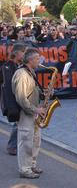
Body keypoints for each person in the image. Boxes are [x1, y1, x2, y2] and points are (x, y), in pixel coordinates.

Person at [12, 48, 46, 178]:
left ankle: (31, 164)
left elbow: (33, 92)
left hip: (33, 112)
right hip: (26, 113)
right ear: (31, 60)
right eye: (37, 58)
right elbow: (21, 98)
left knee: (35, 140)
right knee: (26, 141)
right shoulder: (22, 74)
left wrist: (45, 93)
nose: (39, 61)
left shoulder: (30, 72)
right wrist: (36, 109)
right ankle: (24, 169)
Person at [0, 43, 26, 155]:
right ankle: (12, 146)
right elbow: (8, 86)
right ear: (17, 53)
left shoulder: (17, 66)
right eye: (23, 52)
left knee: (19, 123)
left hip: (16, 99)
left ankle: (14, 145)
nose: (25, 54)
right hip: (11, 99)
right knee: (18, 122)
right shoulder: (7, 67)